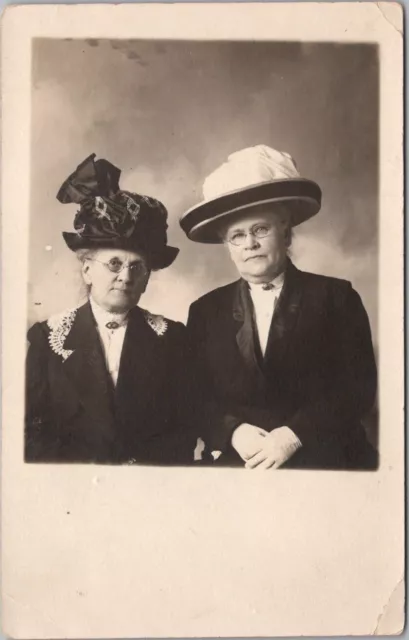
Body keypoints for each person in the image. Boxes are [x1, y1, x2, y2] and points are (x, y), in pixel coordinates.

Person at [180, 145, 378, 470]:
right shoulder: (205, 311)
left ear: (285, 232)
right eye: (237, 236)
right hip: (240, 461)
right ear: (228, 247)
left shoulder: (336, 297)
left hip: (326, 458)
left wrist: (294, 435)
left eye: (261, 229)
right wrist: (233, 432)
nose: (250, 244)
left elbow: (357, 388)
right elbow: (194, 396)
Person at [25, 153, 196, 465]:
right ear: (87, 271)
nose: (126, 276)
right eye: (114, 264)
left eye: (137, 267)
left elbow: (184, 430)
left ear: (146, 279)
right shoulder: (46, 339)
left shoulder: (172, 339)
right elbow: (32, 435)